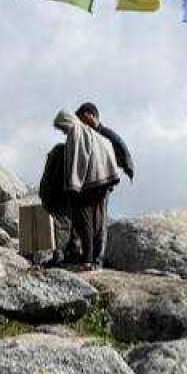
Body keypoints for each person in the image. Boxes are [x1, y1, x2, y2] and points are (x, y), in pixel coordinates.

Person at [52, 106, 119, 270]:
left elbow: (78, 158)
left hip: (90, 180)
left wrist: (73, 184)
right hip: (105, 178)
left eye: (62, 127)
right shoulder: (93, 133)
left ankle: (87, 260)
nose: (63, 132)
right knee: (98, 220)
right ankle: (94, 259)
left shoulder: (76, 130)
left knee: (84, 219)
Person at [75, 102, 134, 181]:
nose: (81, 124)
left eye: (82, 119)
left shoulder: (104, 133)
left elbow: (120, 145)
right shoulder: (86, 137)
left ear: (90, 115)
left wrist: (128, 167)